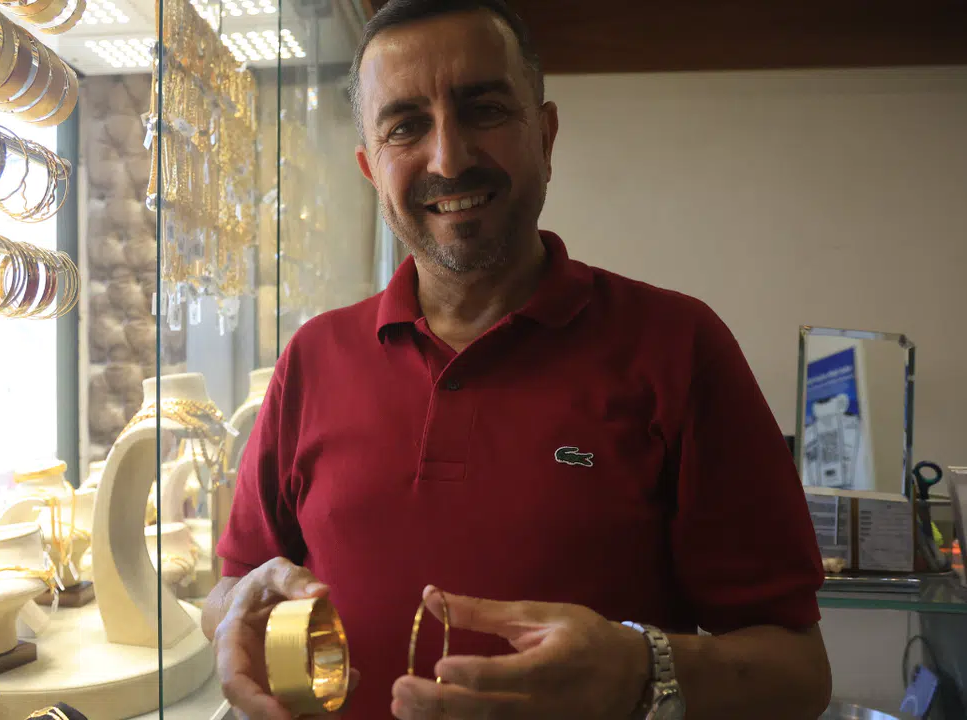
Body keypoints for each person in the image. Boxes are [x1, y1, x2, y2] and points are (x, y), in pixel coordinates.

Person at [202, 1, 832, 718]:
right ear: (370, 169)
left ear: (546, 134)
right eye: (405, 126)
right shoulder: (312, 359)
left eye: (485, 110)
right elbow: (233, 588)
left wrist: (639, 668)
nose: (449, 158)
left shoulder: (680, 347)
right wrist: (231, 613)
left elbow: (799, 673)